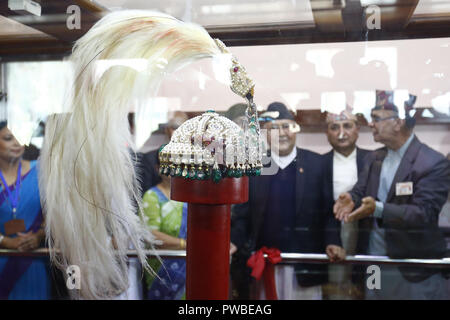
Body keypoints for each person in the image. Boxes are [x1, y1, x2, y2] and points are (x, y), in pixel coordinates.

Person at [334, 90, 450, 299]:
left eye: (376, 119)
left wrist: (378, 209)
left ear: (398, 122)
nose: (371, 124)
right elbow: (361, 192)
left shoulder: (433, 163)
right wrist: (351, 198)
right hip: (374, 264)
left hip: (411, 269)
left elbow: (423, 214)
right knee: (373, 296)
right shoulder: (373, 158)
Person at [230, 102, 345, 300]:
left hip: (306, 266)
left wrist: (333, 242)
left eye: (286, 126)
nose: (281, 133)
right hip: (264, 265)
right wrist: (233, 242)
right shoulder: (253, 167)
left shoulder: (317, 164)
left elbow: (328, 212)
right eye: (273, 128)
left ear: (295, 129)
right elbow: (243, 216)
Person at [322, 109, 371, 299]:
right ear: (327, 133)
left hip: (366, 234)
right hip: (332, 234)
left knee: (369, 287)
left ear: (357, 129)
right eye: (334, 127)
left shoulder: (373, 160)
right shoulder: (319, 164)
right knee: (337, 290)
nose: (341, 133)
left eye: (347, 126)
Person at [0, 121, 51, 299]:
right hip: (3, 256)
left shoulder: (42, 172)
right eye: (8, 138)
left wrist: (38, 236)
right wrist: (5, 242)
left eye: (20, 137)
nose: (16, 142)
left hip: (33, 260)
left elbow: (53, 216)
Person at [142, 152, 188, 300]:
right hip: (162, 268)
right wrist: (184, 244)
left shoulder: (188, 195)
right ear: (157, 168)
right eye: (166, 165)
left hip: (189, 265)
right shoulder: (152, 196)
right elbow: (150, 234)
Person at [137, 111, 188, 194]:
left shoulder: (194, 159)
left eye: (184, 127)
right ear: (167, 130)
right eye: (175, 127)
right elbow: (145, 196)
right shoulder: (150, 159)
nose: (180, 131)